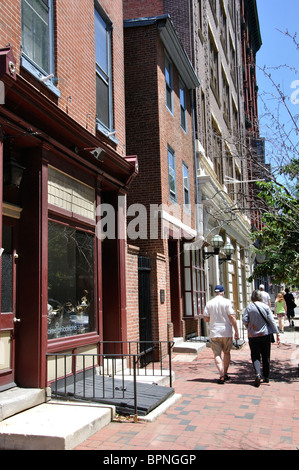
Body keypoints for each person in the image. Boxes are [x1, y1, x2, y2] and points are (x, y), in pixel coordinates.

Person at [243, 290, 280, 387]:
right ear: (261, 297)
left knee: (255, 356)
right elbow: (271, 321)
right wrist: (277, 333)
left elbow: (244, 319)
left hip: (253, 335)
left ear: (252, 297)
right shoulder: (265, 307)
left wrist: (248, 327)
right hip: (265, 334)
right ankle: (266, 376)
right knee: (266, 355)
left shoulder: (249, 307)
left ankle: (257, 374)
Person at [203, 285, 239, 384]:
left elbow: (205, 318)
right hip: (226, 331)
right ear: (223, 293)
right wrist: (236, 331)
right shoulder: (227, 302)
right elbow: (231, 317)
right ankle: (225, 373)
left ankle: (221, 374)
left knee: (216, 354)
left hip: (214, 331)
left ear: (215, 293)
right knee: (226, 352)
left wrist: (213, 319)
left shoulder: (209, 303)